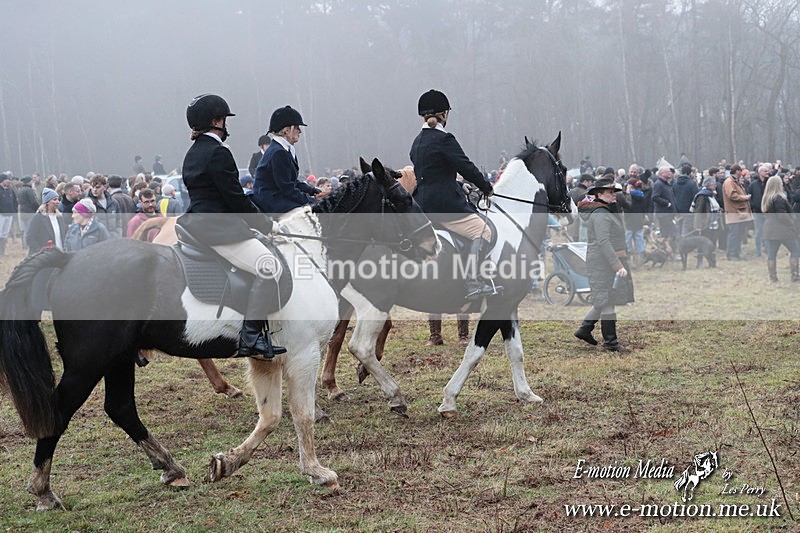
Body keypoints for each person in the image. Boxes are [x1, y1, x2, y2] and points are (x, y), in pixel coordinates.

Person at [177, 93, 285, 360]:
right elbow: (235, 199)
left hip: (196, 225)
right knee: (269, 267)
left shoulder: (192, 152)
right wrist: (265, 223)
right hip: (219, 230)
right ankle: (251, 338)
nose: (226, 125)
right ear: (216, 121)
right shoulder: (219, 152)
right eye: (224, 120)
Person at [410, 89, 500, 300]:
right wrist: (486, 187)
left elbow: (433, 175)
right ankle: (473, 282)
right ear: (444, 114)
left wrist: (460, 186)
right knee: (484, 232)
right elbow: (465, 166)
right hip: (445, 207)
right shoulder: (444, 139)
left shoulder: (417, 141)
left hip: (421, 204)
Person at [574, 177, 633, 351]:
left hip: (604, 260)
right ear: (599, 194)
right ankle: (611, 343)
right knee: (607, 300)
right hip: (602, 262)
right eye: (609, 192)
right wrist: (617, 265)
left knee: (605, 298)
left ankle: (585, 329)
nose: (614, 195)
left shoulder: (605, 210)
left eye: (614, 192)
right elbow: (603, 242)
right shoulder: (600, 214)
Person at [252, 106, 320, 216]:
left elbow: (292, 181)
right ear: (287, 131)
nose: (300, 131)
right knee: (306, 214)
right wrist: (312, 201)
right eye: (297, 128)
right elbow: (287, 188)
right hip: (271, 201)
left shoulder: (284, 149)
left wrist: (313, 191)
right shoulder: (278, 152)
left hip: (278, 196)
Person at [761, 174, 800, 283]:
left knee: (772, 254)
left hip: (770, 229)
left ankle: (773, 278)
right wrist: (791, 223)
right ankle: (795, 275)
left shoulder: (767, 198)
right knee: (795, 250)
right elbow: (782, 215)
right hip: (782, 230)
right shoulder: (778, 198)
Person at [722, 164, 753, 261]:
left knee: (738, 234)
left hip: (739, 213)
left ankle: (737, 253)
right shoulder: (729, 182)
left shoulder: (735, 181)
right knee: (733, 235)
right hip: (733, 212)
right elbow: (732, 195)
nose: (742, 173)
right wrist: (745, 197)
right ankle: (731, 254)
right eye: (741, 171)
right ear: (737, 171)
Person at [25, 187, 67, 255]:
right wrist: (39, 251)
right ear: (47, 202)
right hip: (44, 256)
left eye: (58, 199)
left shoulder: (60, 217)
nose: (58, 202)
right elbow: (30, 237)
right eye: (55, 199)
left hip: (60, 254)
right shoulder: (38, 218)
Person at [691, 175, 721, 245]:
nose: (716, 185)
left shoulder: (712, 194)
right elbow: (698, 211)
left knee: (712, 240)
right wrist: (698, 226)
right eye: (714, 184)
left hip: (713, 222)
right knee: (705, 242)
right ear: (709, 185)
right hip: (705, 223)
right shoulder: (702, 196)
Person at [0, 174, 18, 256]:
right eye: (6, 179)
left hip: (9, 215)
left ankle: (2, 251)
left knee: (5, 234)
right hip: (1, 215)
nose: (8, 181)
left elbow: (15, 201)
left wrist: (14, 211)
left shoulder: (10, 190)